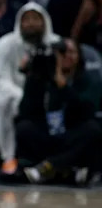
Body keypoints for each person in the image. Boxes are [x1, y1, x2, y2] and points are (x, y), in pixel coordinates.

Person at [15, 38, 102, 184]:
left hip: (71, 136)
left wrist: (63, 87)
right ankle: (63, 169)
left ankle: (48, 167)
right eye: (61, 52)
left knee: (93, 129)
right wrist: (34, 79)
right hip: (47, 135)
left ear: (79, 56)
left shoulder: (88, 80)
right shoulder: (41, 77)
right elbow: (25, 111)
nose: (66, 55)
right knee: (24, 127)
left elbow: (87, 111)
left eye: (71, 52)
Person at [0, 3, 59, 177]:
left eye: (36, 19)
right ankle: (9, 157)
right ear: (19, 22)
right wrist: (22, 95)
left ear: (45, 22)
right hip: (14, 94)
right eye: (27, 20)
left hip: (48, 95)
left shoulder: (56, 44)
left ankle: (57, 160)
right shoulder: (5, 44)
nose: (31, 24)